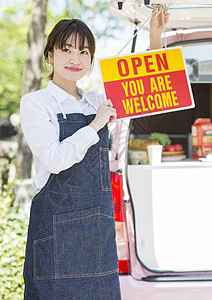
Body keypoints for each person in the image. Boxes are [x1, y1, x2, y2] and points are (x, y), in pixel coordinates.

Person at [20, 6, 169, 300]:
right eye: (67, 50)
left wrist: (155, 33)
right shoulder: (37, 103)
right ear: (49, 55)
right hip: (54, 233)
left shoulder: (96, 101)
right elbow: (55, 159)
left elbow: (152, 88)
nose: (76, 59)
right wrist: (97, 123)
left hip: (96, 234)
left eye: (85, 52)